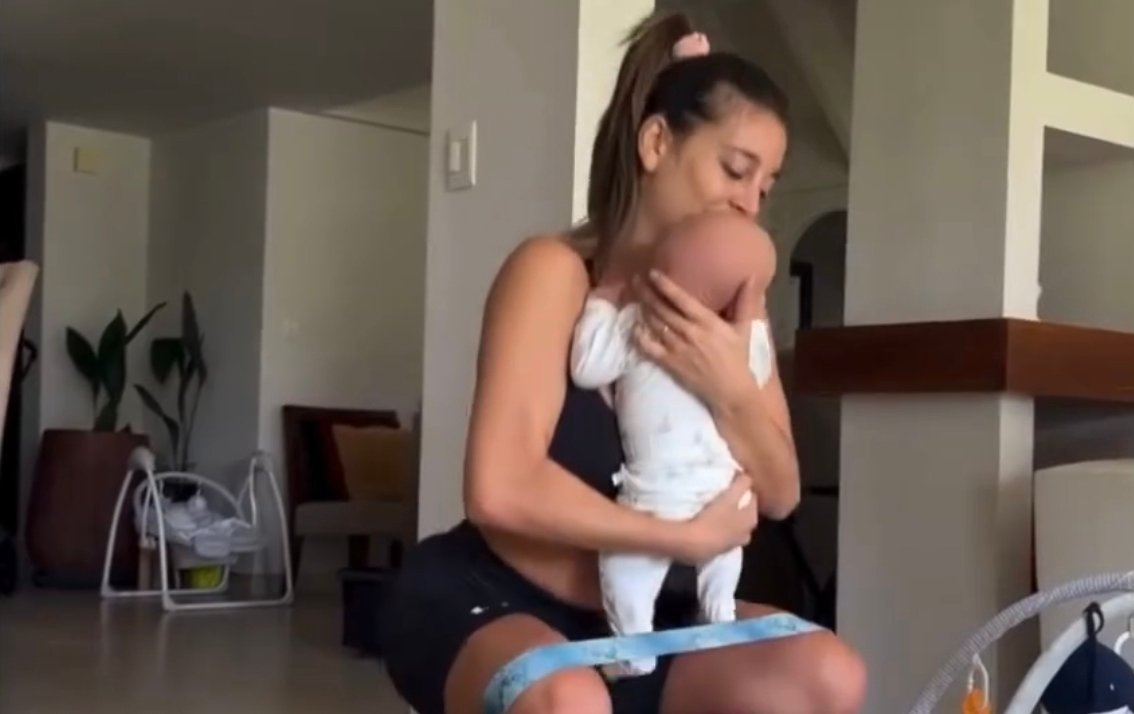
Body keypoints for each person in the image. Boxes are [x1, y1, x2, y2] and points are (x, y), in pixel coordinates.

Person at [379, 10, 868, 714]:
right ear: (656, 142)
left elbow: (782, 493)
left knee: (829, 673)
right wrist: (681, 538)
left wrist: (730, 390)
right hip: (502, 598)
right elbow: (498, 488)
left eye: (765, 186)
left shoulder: (734, 311)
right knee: (571, 700)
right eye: (735, 170)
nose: (749, 201)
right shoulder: (556, 272)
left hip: (653, 621)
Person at [569, 212, 777, 679]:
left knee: (626, 574)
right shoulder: (742, 345)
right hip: (726, 493)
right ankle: (719, 616)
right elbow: (757, 375)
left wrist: (603, 303)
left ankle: (633, 650)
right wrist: (749, 328)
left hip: (655, 496)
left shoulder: (645, 325)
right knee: (723, 564)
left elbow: (586, 367)